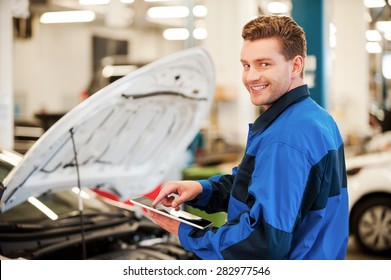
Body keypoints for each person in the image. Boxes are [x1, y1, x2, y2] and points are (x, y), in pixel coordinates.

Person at [148, 15, 349, 260]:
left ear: (296, 65)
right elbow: (260, 189)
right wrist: (202, 190)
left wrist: (186, 233)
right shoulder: (317, 117)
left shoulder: (285, 137)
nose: (251, 77)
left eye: (264, 64)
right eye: (246, 65)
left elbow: (262, 243)